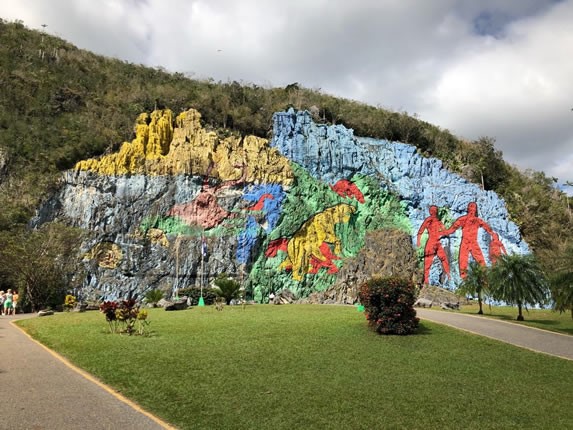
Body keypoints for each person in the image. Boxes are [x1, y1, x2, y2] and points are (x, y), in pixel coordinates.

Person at [441, 202, 497, 278]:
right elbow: (452, 229)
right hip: (465, 242)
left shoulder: (476, 220)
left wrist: (493, 234)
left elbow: (487, 228)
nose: (472, 210)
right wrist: (443, 233)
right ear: (468, 209)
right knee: (463, 261)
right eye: (471, 208)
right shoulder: (464, 219)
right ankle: (464, 279)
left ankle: (485, 277)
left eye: (473, 208)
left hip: (473, 243)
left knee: (479, 261)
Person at [417, 205, 450, 284]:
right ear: (431, 212)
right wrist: (418, 242)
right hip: (431, 242)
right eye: (433, 211)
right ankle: (426, 280)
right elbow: (420, 231)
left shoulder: (438, 222)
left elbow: (445, 232)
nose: (435, 212)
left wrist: (441, 233)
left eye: (435, 211)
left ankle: (448, 276)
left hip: (437, 243)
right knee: (428, 261)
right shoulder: (429, 221)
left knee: (444, 259)